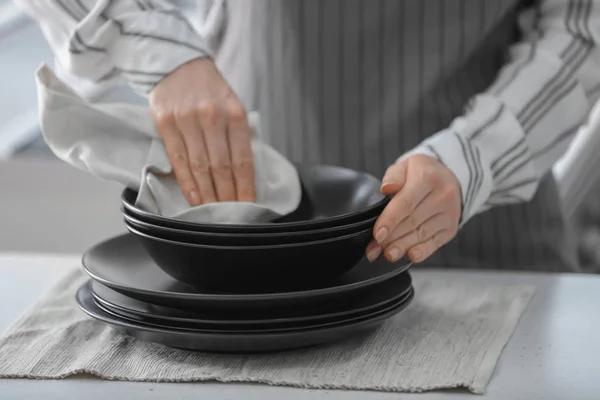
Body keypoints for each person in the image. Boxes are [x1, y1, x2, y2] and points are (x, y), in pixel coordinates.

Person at [15, 0, 600, 272]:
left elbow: (581, 26)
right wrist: (154, 47)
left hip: (487, 248)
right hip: (246, 254)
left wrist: (476, 158)